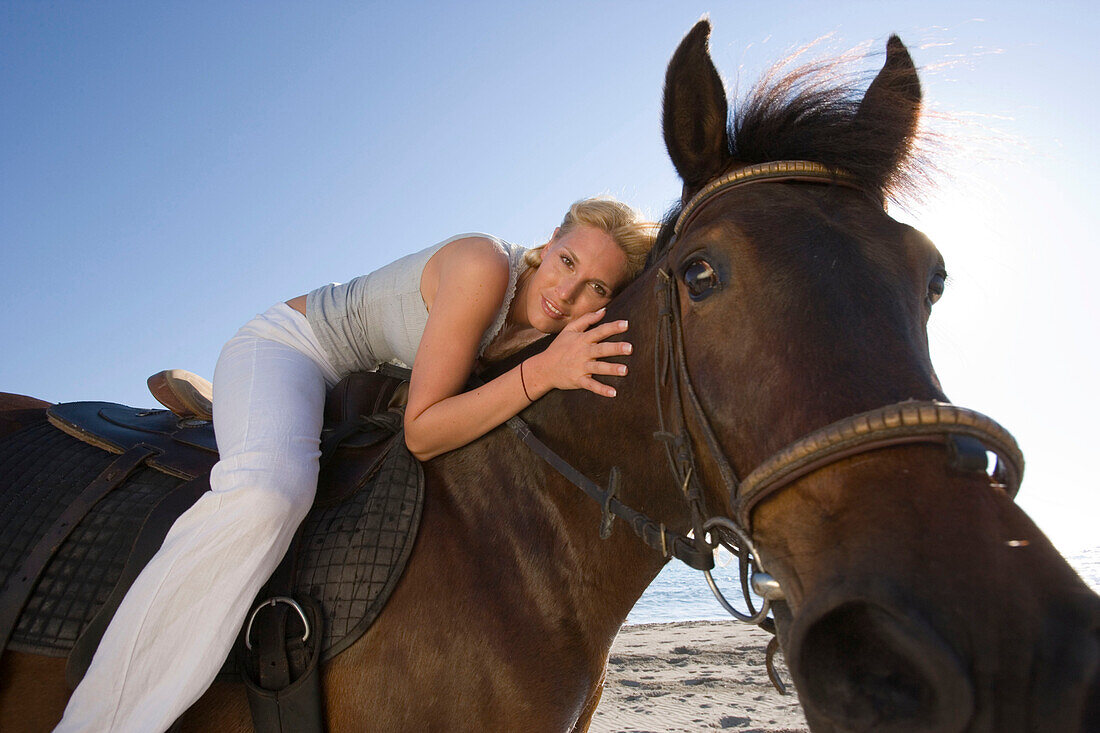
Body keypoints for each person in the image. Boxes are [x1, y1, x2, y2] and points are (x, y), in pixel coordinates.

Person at [55, 196, 656, 732]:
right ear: (548, 244)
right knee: (269, 491)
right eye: (568, 262)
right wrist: (543, 372)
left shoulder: (553, 331)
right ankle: (100, 716)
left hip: (362, 389)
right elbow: (423, 432)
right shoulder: (484, 268)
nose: (568, 293)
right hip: (295, 350)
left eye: (598, 289)